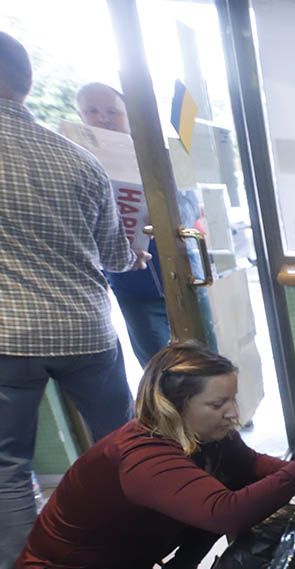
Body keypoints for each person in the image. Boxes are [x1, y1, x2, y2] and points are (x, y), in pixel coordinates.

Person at [9, 342, 295, 569]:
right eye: (218, 403)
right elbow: (225, 513)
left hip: (128, 564)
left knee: (230, 485)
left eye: (232, 398)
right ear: (175, 406)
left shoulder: (211, 437)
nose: (232, 412)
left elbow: (256, 469)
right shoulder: (142, 457)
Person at [0, 34, 148, 569]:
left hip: (9, 334)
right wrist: (134, 253)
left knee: (9, 465)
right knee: (122, 445)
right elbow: (114, 256)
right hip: (85, 326)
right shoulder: (77, 159)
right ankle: (132, 553)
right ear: (28, 82)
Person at [75, 82, 172, 368]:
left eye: (112, 111)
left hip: (182, 278)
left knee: (204, 362)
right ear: (81, 116)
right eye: (91, 111)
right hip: (132, 284)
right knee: (157, 367)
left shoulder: (158, 154)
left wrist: (168, 214)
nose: (102, 118)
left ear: (129, 115)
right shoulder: (76, 163)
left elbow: (192, 202)